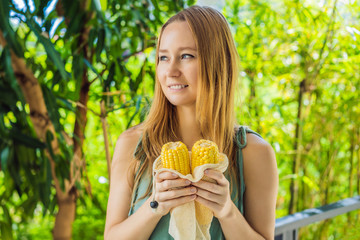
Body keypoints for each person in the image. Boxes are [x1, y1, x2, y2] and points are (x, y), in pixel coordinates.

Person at [104, 5, 278, 240]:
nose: (171, 70)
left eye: (186, 56)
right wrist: (156, 205)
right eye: (163, 57)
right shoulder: (132, 144)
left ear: (217, 62)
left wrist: (227, 211)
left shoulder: (253, 152)